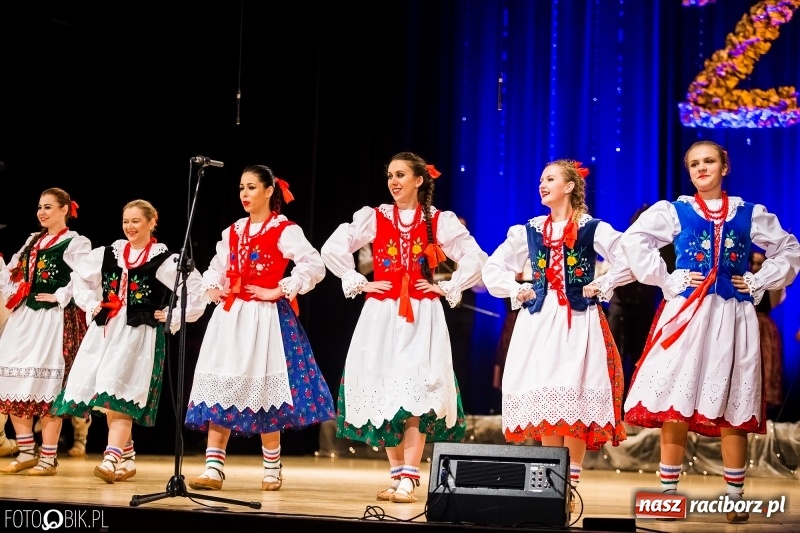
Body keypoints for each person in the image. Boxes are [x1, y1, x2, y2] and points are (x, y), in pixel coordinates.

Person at [621, 140, 800, 523]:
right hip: (687, 312)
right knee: (676, 396)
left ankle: (735, 495)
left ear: (725, 167)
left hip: (732, 315)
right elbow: (633, 240)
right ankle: (668, 494)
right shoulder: (677, 210)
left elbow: (789, 249)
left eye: (709, 161)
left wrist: (758, 281)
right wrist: (667, 279)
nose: (701, 168)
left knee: (733, 399)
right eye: (694, 164)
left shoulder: (749, 214)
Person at [321, 152, 488, 503]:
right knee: (385, 389)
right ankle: (397, 475)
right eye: (390, 176)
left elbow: (475, 256)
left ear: (419, 180)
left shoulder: (438, 221)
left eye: (401, 175)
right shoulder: (376, 217)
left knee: (416, 390)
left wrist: (446, 286)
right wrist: (357, 280)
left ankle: (410, 476)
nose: (394, 181)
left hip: (421, 314)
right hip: (381, 315)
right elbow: (334, 247)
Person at [481, 159, 631, 510]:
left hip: (579, 320)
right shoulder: (530, 230)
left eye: (550, 179)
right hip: (541, 321)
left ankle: (569, 486)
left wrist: (603, 282)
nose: (542, 184)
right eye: (540, 180)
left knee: (574, 396)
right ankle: (551, 485)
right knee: (548, 397)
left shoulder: (592, 228)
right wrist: (517, 289)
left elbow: (632, 258)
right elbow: (493, 266)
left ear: (569, 186)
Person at [185, 165, 335, 491]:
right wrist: (213, 286)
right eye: (241, 188)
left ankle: (271, 466)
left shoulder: (284, 229)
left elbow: (314, 264)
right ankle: (213, 467)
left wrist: (280, 289)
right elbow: (216, 266)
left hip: (266, 318)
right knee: (221, 385)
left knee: (268, 390)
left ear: (269, 191)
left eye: (252, 187)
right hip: (230, 316)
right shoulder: (234, 230)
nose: (244, 194)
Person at [51, 199, 205, 483]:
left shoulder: (164, 259)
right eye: (126, 221)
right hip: (106, 330)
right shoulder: (111, 252)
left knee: (116, 394)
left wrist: (171, 315)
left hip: (138, 334)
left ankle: (111, 459)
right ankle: (128, 457)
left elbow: (196, 291)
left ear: (151, 221)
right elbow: (79, 277)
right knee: (108, 394)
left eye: (136, 221)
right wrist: (91, 303)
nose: (130, 227)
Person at [0, 188, 91, 475]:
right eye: (40, 206)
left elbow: (87, 278)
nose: (42, 212)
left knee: (49, 389)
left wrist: (60, 295)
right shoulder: (32, 241)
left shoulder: (76, 242)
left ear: (65, 209)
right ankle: (27, 449)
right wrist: (14, 290)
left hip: (54, 320)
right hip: (25, 318)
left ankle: (48, 457)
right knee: (11, 381)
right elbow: (12, 272)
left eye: (48, 207)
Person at [749, 251, 786, 418]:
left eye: (760, 264)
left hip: (763, 327)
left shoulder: (769, 284)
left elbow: (775, 300)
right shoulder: (740, 279)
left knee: (765, 366)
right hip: (745, 324)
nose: (756, 267)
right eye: (753, 263)